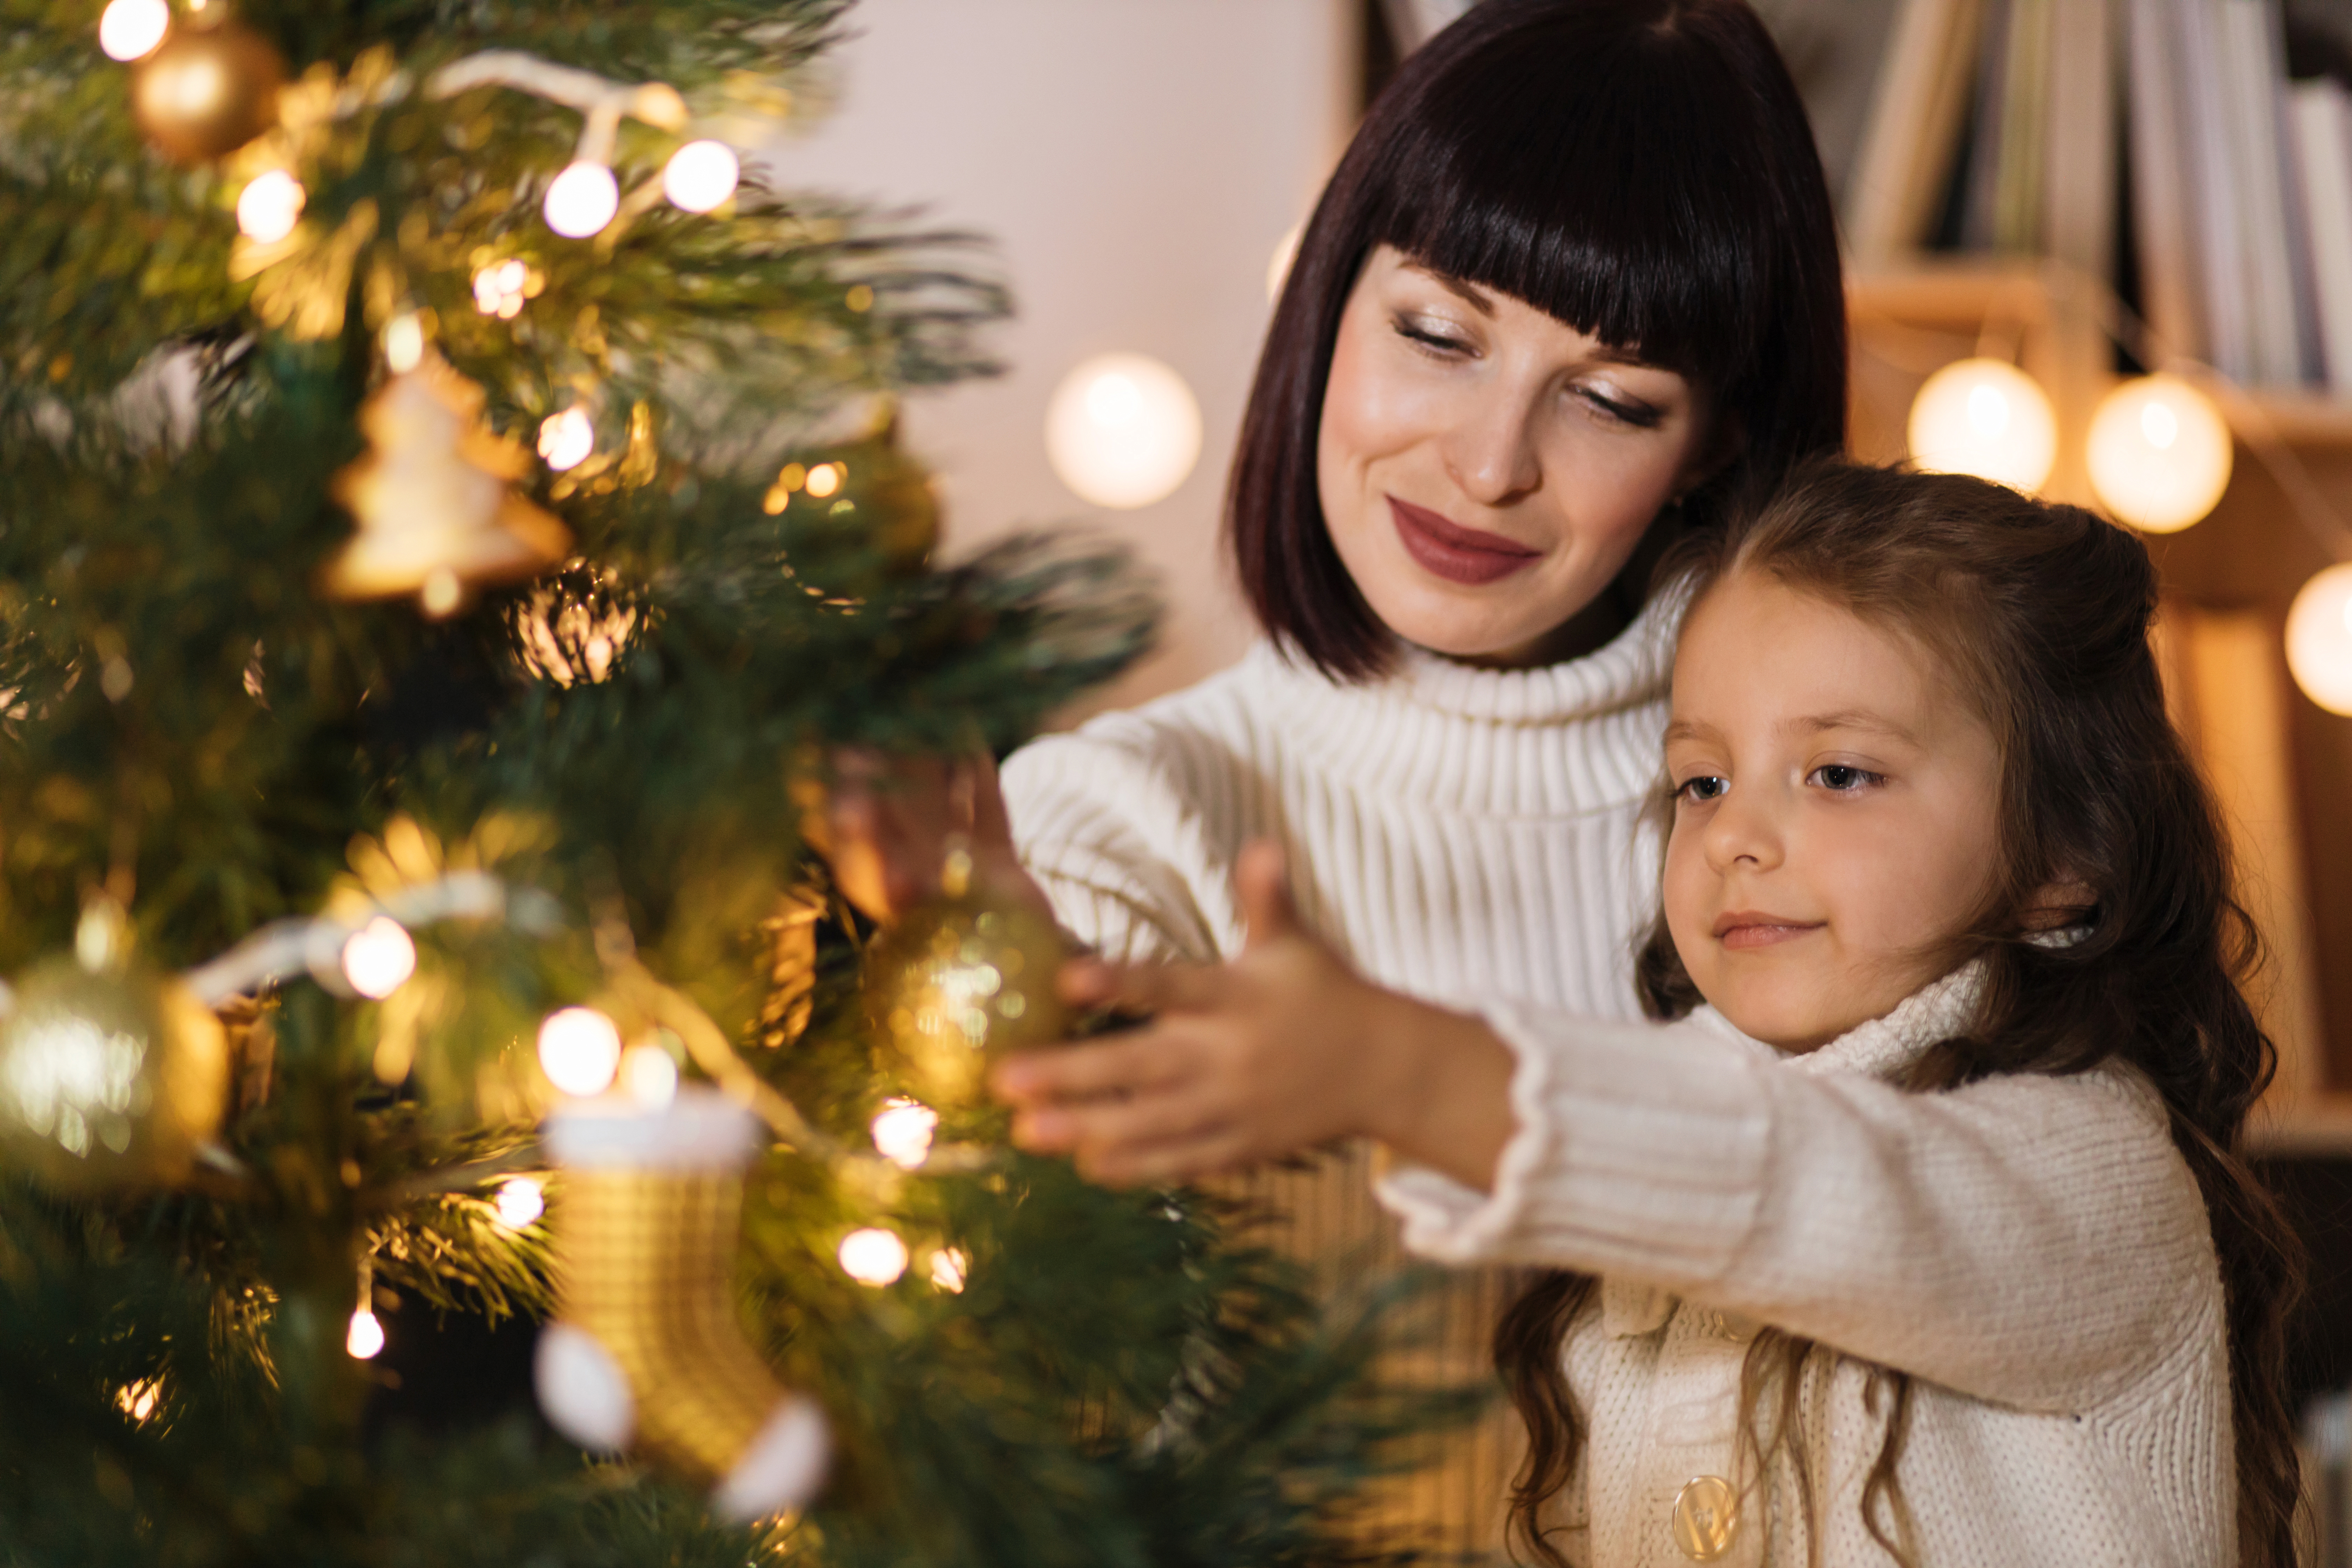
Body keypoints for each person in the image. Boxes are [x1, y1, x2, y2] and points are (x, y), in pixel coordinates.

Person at [815, 0, 1846, 1551]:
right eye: (1438, 333)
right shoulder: (1126, 820)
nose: (1491, 461)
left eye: (1613, 398)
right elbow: (1062, 1446)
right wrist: (1015, 1052)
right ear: (1326, 302)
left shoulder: (1839, 812)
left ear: (1715, 442)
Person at [996, 463, 2304, 1568]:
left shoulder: (2095, 1177)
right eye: (1700, 781)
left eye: (1841, 774)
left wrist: (1397, 1069)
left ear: (2063, 857)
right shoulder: (1639, 1213)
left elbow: (1823, 1186)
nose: (1738, 835)